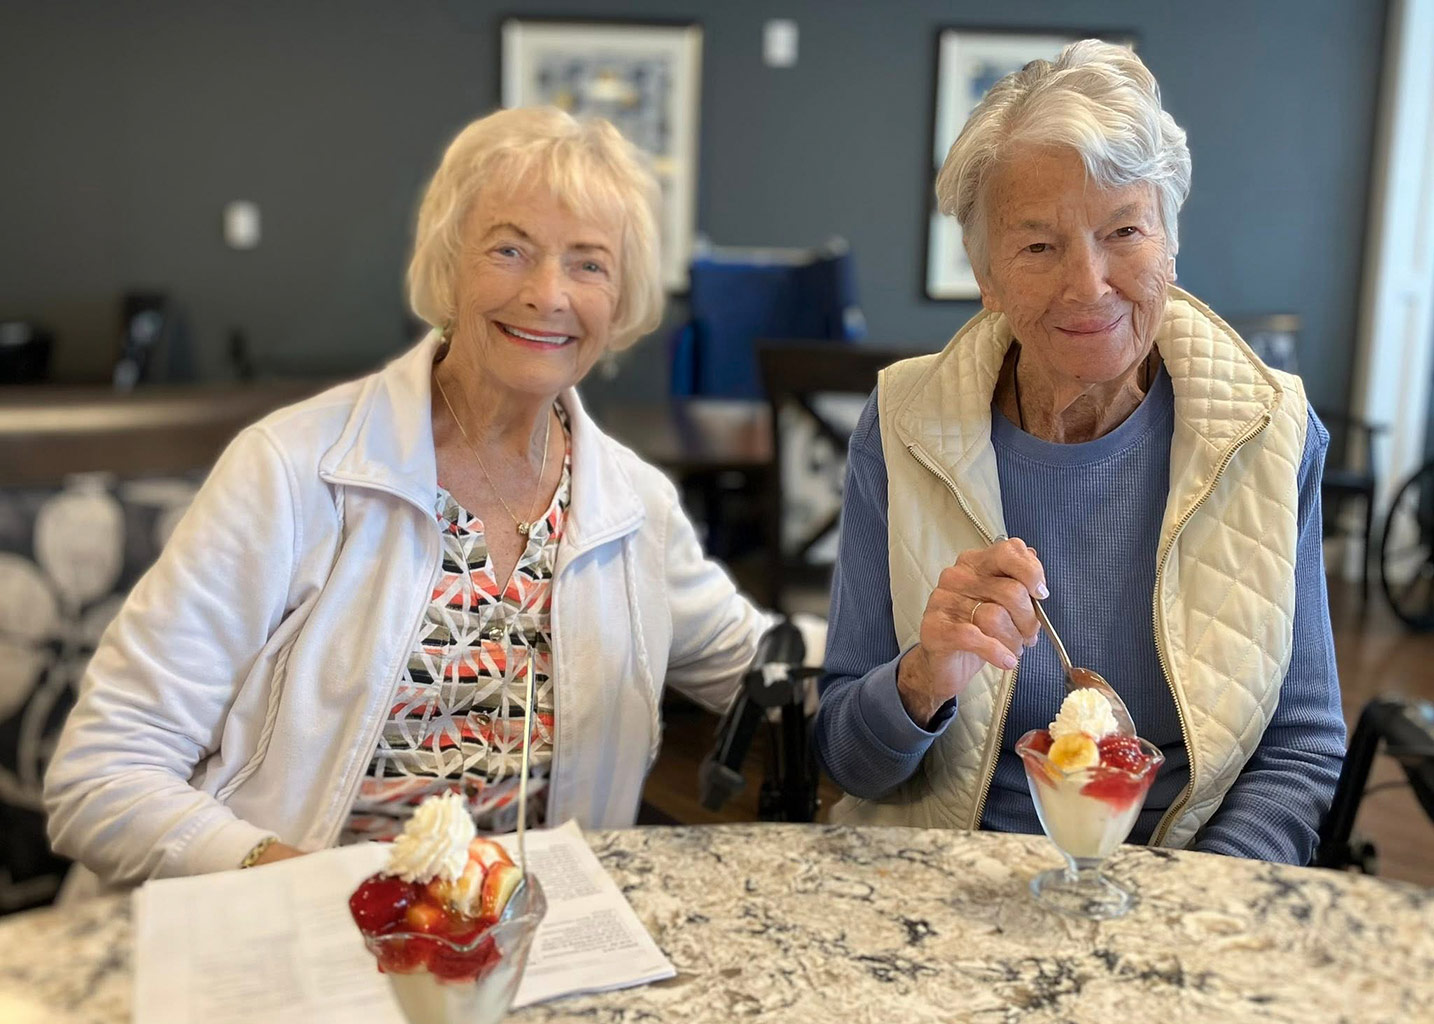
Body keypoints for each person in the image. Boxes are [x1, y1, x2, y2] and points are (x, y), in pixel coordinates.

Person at [45, 107, 767, 886]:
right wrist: (298, 883)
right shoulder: (292, 471)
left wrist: (910, 672)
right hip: (285, 933)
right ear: (447, 265)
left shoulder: (634, 507)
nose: (548, 294)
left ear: (620, 299)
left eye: (588, 263)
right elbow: (103, 773)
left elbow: (767, 669)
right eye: (509, 249)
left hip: (524, 948)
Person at [813, 40, 1344, 863]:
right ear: (985, 275)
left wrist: (1187, 904)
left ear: (1169, 241)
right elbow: (848, 761)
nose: (1089, 284)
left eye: (1123, 230)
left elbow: (1301, 750)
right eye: (1037, 246)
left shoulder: (1270, 433)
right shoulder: (902, 422)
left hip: (1185, 882)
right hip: (946, 877)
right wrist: (922, 677)